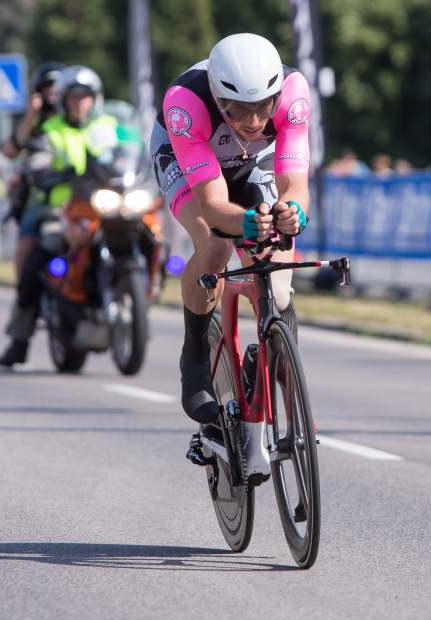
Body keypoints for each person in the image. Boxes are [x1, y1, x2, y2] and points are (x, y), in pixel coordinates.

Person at [150, 33, 310, 427]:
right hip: (189, 160)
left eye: (262, 108)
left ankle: (272, 348)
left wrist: (292, 212)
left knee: (277, 268)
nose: (253, 122)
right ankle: (195, 355)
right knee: (215, 246)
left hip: (254, 162)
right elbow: (214, 206)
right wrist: (246, 222)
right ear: (218, 96)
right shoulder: (186, 102)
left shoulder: (293, 93)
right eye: (237, 110)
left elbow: (294, 184)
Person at [0, 65, 120, 367]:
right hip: (61, 210)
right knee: (34, 263)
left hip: (106, 206)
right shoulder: (49, 129)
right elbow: (23, 153)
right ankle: (20, 337)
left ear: (96, 98)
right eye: (72, 96)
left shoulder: (108, 125)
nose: (79, 102)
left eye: (85, 96)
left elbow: (127, 152)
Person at [2, 62, 64, 278]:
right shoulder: (35, 122)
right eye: (47, 87)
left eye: (56, 86)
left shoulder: (75, 116)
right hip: (42, 190)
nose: (52, 93)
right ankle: (23, 292)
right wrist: (31, 116)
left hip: (77, 186)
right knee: (29, 232)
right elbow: (9, 150)